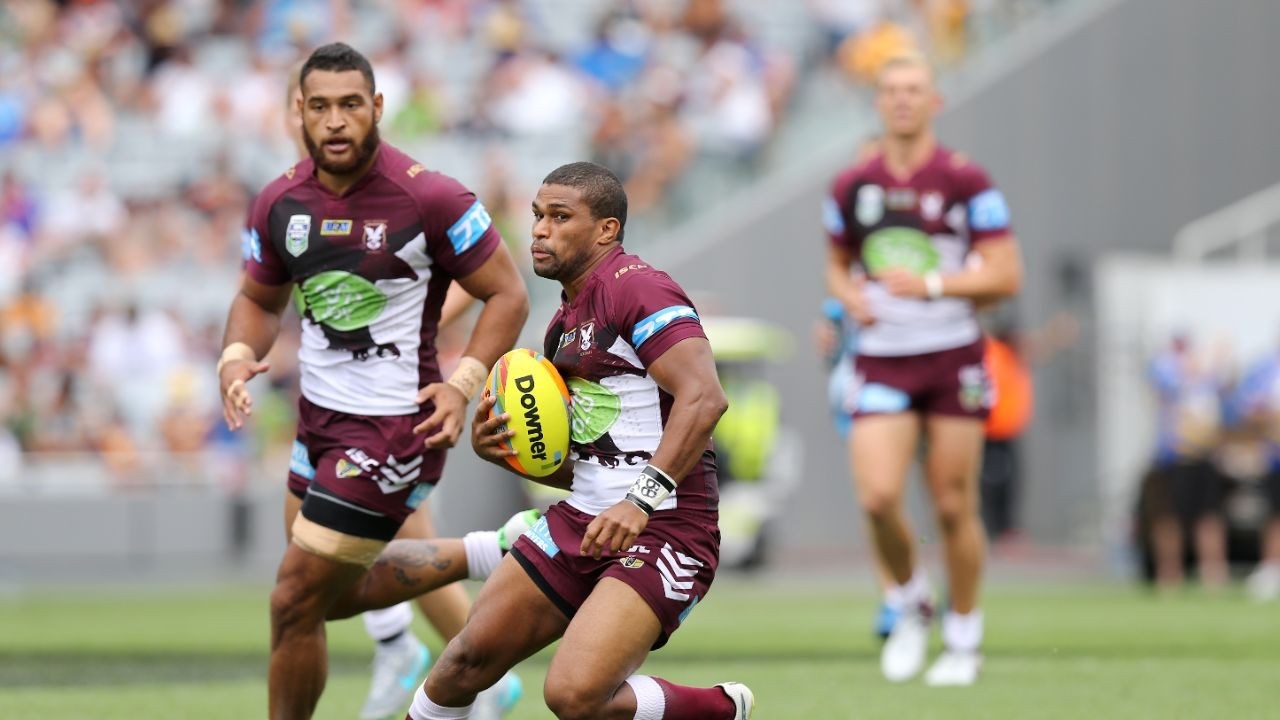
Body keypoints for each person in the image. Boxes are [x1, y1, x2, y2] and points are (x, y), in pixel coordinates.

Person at [217, 43, 532, 720]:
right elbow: (258, 299)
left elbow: (507, 292)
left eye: (350, 105)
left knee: (295, 597)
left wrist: (462, 383)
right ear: (298, 111)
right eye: (320, 106)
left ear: (377, 108)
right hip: (317, 423)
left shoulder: (432, 196)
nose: (335, 121)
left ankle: (482, 557)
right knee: (312, 600)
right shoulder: (278, 202)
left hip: (396, 426)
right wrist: (236, 354)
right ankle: (472, 580)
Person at [405, 161, 755, 719]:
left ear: (606, 230)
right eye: (538, 215)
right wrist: (509, 455)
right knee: (462, 664)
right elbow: (590, 465)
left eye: (560, 217)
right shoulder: (563, 323)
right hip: (582, 518)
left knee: (573, 695)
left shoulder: (637, 287)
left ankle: (715, 710)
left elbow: (705, 398)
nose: (540, 230)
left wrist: (639, 501)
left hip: (667, 526)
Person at [824, 53, 1023, 686]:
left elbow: (1005, 276)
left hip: (952, 356)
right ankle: (912, 603)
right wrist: (847, 294)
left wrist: (932, 284)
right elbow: (837, 261)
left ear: (934, 101)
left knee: (951, 503)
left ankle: (964, 636)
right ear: (878, 103)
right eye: (891, 91)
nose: (903, 100)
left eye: (914, 90)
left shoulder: (966, 181)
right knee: (879, 497)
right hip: (881, 358)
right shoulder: (852, 186)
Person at [1142, 334, 1228, 591]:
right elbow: (1161, 380)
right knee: (1168, 518)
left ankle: (1212, 574)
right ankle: (1169, 574)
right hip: (1173, 458)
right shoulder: (1167, 371)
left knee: (1209, 518)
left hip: (1204, 457)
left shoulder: (1208, 381)